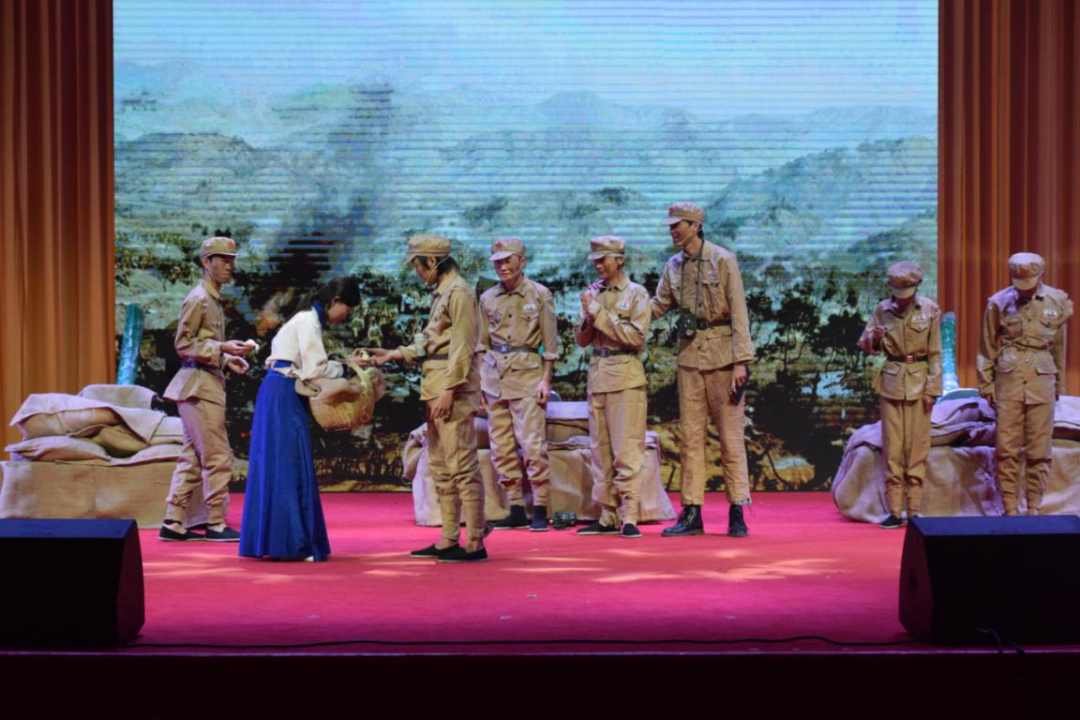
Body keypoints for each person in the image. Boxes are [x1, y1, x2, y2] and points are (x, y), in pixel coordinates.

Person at [363, 234, 489, 562]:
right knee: (441, 466)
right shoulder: (442, 292)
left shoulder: (459, 293)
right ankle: (449, 538)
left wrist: (449, 390)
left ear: (432, 262)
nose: (417, 273)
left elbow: (463, 346)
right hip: (435, 388)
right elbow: (431, 341)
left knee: (461, 465)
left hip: (451, 390)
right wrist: (392, 354)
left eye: (418, 266)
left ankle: (475, 541)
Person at [239, 276, 361, 562]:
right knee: (289, 464)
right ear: (335, 301)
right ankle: (291, 544)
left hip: (278, 390)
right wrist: (347, 368)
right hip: (283, 393)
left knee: (279, 463)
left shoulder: (306, 319)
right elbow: (314, 370)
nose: (347, 316)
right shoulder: (308, 321)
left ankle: (279, 541)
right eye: (348, 310)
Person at [650, 203, 753, 538]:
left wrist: (741, 362)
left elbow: (739, 312)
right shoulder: (673, 266)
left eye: (676, 225)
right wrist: (623, 312)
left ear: (695, 225)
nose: (672, 231)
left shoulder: (723, 260)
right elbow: (659, 305)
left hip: (724, 358)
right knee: (691, 438)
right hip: (690, 358)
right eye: (670, 226)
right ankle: (692, 511)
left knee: (730, 438)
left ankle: (737, 510)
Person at [160, 236, 254, 542]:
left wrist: (226, 359)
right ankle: (215, 523)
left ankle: (173, 521)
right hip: (199, 387)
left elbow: (201, 344)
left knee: (191, 457)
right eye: (222, 260)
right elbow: (183, 344)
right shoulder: (199, 298)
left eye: (231, 261)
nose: (229, 266)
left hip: (203, 382)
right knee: (217, 456)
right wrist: (221, 348)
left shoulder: (211, 298)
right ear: (205, 262)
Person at [977, 252, 1073, 516]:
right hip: (1008, 379)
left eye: (1028, 281)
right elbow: (986, 347)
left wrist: (1058, 386)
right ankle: (1009, 508)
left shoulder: (1057, 300)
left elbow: (1059, 348)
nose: (1024, 288)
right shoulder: (998, 302)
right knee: (1006, 448)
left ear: (1040, 275)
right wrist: (986, 385)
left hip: (1042, 379)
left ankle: (1033, 508)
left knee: (1039, 448)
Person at [479, 237, 560, 531]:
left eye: (508, 260)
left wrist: (545, 380)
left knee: (532, 444)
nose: (502, 266)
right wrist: (481, 381)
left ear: (522, 261)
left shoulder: (540, 294)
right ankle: (514, 506)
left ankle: (539, 506)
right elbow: (481, 344)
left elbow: (550, 345)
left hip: (528, 377)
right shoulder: (487, 298)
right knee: (501, 446)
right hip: (495, 378)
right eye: (498, 262)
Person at [575, 235, 651, 539]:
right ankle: (606, 514)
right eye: (595, 259)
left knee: (626, 448)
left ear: (620, 259)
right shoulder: (593, 293)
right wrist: (587, 317)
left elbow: (636, 338)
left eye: (603, 259)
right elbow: (582, 340)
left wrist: (599, 314)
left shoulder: (637, 294)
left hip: (625, 378)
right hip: (598, 376)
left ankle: (629, 515)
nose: (598, 265)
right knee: (600, 450)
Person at [857, 262, 942, 529]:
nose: (901, 297)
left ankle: (914, 510)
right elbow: (866, 345)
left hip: (920, 381)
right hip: (892, 381)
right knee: (893, 448)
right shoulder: (882, 310)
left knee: (917, 448)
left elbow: (935, 353)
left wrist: (933, 389)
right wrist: (875, 338)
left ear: (917, 286)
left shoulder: (930, 309)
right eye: (897, 290)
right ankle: (895, 510)